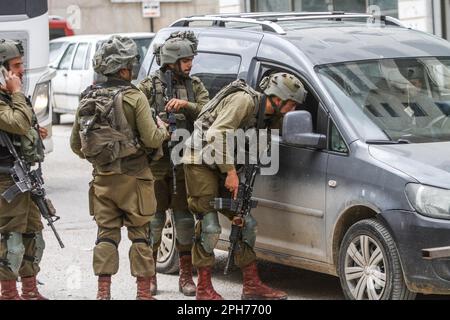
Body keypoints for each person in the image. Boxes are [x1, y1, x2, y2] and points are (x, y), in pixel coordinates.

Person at [183, 72, 307, 300]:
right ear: (278, 99)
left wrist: (239, 175)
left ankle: (251, 285)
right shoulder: (245, 101)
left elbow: (256, 148)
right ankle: (203, 289)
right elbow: (216, 134)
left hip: (227, 164)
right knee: (209, 226)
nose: (293, 109)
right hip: (200, 160)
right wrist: (230, 172)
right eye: (292, 103)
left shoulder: (270, 117)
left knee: (246, 222)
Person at [70, 35, 169, 300]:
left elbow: (76, 146)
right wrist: (162, 130)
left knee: (106, 236)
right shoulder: (135, 97)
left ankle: (104, 293)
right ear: (124, 68)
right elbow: (151, 139)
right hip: (135, 179)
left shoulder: (87, 97)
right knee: (140, 236)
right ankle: (143, 294)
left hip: (102, 181)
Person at [138, 31, 209, 296]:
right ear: (171, 61)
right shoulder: (148, 86)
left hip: (185, 161)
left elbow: (208, 110)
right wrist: (154, 121)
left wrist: (186, 105)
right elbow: (132, 107)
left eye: (191, 59)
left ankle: (184, 277)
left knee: (184, 220)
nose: (190, 64)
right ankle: (150, 276)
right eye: (185, 60)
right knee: (155, 220)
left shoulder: (195, 85)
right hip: (157, 163)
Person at [0, 39, 49, 300]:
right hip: (4, 179)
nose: (21, 70)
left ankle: (30, 289)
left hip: (24, 176)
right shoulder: (9, 97)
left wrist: (34, 133)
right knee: (12, 240)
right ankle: (8, 293)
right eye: (16, 66)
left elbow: (23, 127)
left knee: (34, 235)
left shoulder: (12, 97)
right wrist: (17, 93)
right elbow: (17, 123)